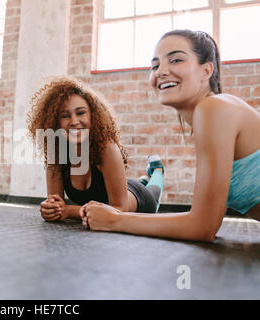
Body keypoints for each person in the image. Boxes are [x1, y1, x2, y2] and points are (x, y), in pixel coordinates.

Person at [80, 30, 260, 242]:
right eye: (155, 65)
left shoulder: (214, 108)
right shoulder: (212, 113)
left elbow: (203, 226)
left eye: (176, 60)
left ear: (206, 70)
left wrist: (116, 220)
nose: (161, 71)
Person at [27, 76, 165, 222]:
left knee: (153, 191)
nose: (74, 121)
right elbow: (56, 205)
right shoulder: (57, 153)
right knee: (131, 184)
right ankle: (143, 180)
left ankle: (157, 170)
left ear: (93, 115)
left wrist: (68, 210)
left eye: (80, 113)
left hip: (139, 200)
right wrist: (49, 209)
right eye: (65, 116)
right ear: (55, 122)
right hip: (120, 191)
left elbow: (120, 209)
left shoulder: (106, 148)